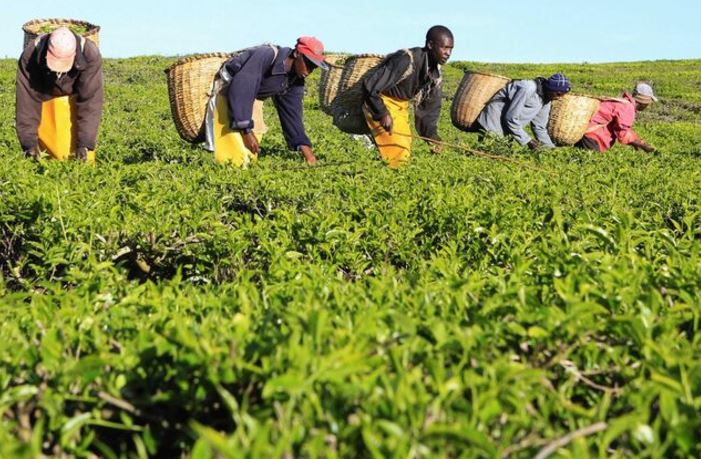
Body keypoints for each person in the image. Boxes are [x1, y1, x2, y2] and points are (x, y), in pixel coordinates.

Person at [205, 37, 328, 167]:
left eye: (314, 67)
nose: (309, 71)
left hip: (251, 101)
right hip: (228, 95)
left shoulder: (294, 80)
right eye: (308, 64)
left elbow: (293, 117)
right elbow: (242, 88)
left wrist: (309, 156)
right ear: (297, 54)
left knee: (248, 157)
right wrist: (246, 131)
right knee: (231, 157)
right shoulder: (266, 55)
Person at [361, 25, 454, 168]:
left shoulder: (435, 75)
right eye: (445, 48)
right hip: (380, 103)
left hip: (400, 107)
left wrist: (432, 136)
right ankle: (389, 178)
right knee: (399, 148)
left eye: (451, 49)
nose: (448, 53)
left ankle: (377, 162)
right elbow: (371, 85)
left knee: (405, 146)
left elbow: (429, 110)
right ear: (430, 45)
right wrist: (382, 113)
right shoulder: (405, 59)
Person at [16, 27, 103, 162]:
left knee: (82, 159)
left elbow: (90, 102)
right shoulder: (31, 54)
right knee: (44, 158)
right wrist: (28, 143)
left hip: (73, 106)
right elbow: (27, 100)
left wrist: (85, 143)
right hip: (45, 104)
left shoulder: (90, 53)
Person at [476, 73, 571, 150]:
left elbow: (539, 127)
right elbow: (510, 118)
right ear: (550, 89)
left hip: (508, 128)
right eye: (558, 94)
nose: (559, 97)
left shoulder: (547, 99)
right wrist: (528, 141)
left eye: (562, 95)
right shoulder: (528, 88)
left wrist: (551, 149)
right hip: (493, 122)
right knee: (488, 151)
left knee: (503, 153)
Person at [575, 83, 657, 153]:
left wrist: (636, 140)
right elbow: (622, 133)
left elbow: (622, 127)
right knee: (590, 165)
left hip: (584, 134)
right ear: (643, 102)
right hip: (593, 138)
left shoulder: (622, 103)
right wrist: (641, 145)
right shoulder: (627, 107)